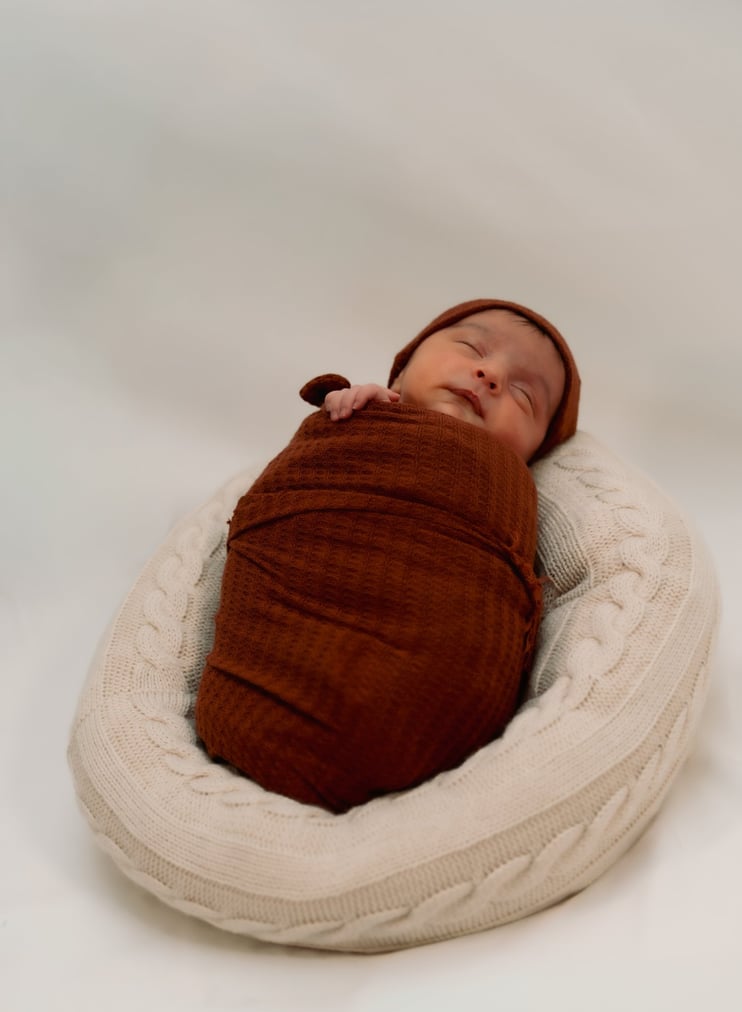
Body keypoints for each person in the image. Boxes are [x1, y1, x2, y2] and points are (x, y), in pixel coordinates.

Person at [195, 299, 581, 812]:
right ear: (400, 371)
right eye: (472, 348)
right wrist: (348, 408)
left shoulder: (512, 483)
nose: (491, 376)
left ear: (536, 451)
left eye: (524, 395)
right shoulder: (368, 411)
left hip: (423, 680)